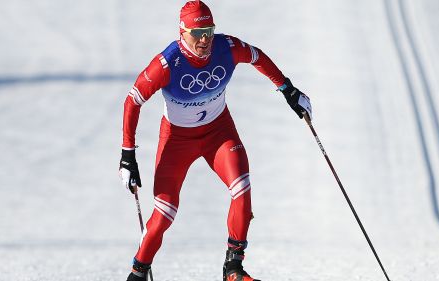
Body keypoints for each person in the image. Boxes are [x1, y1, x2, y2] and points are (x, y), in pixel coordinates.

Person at [119, 1, 312, 280]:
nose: (204, 39)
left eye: (208, 31)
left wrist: (287, 88)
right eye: (197, 33)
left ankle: (233, 266)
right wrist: (128, 155)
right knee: (164, 214)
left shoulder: (227, 48)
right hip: (177, 139)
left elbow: (257, 57)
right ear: (182, 32)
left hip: (218, 132)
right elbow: (132, 101)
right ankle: (138, 273)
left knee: (242, 188)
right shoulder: (166, 63)